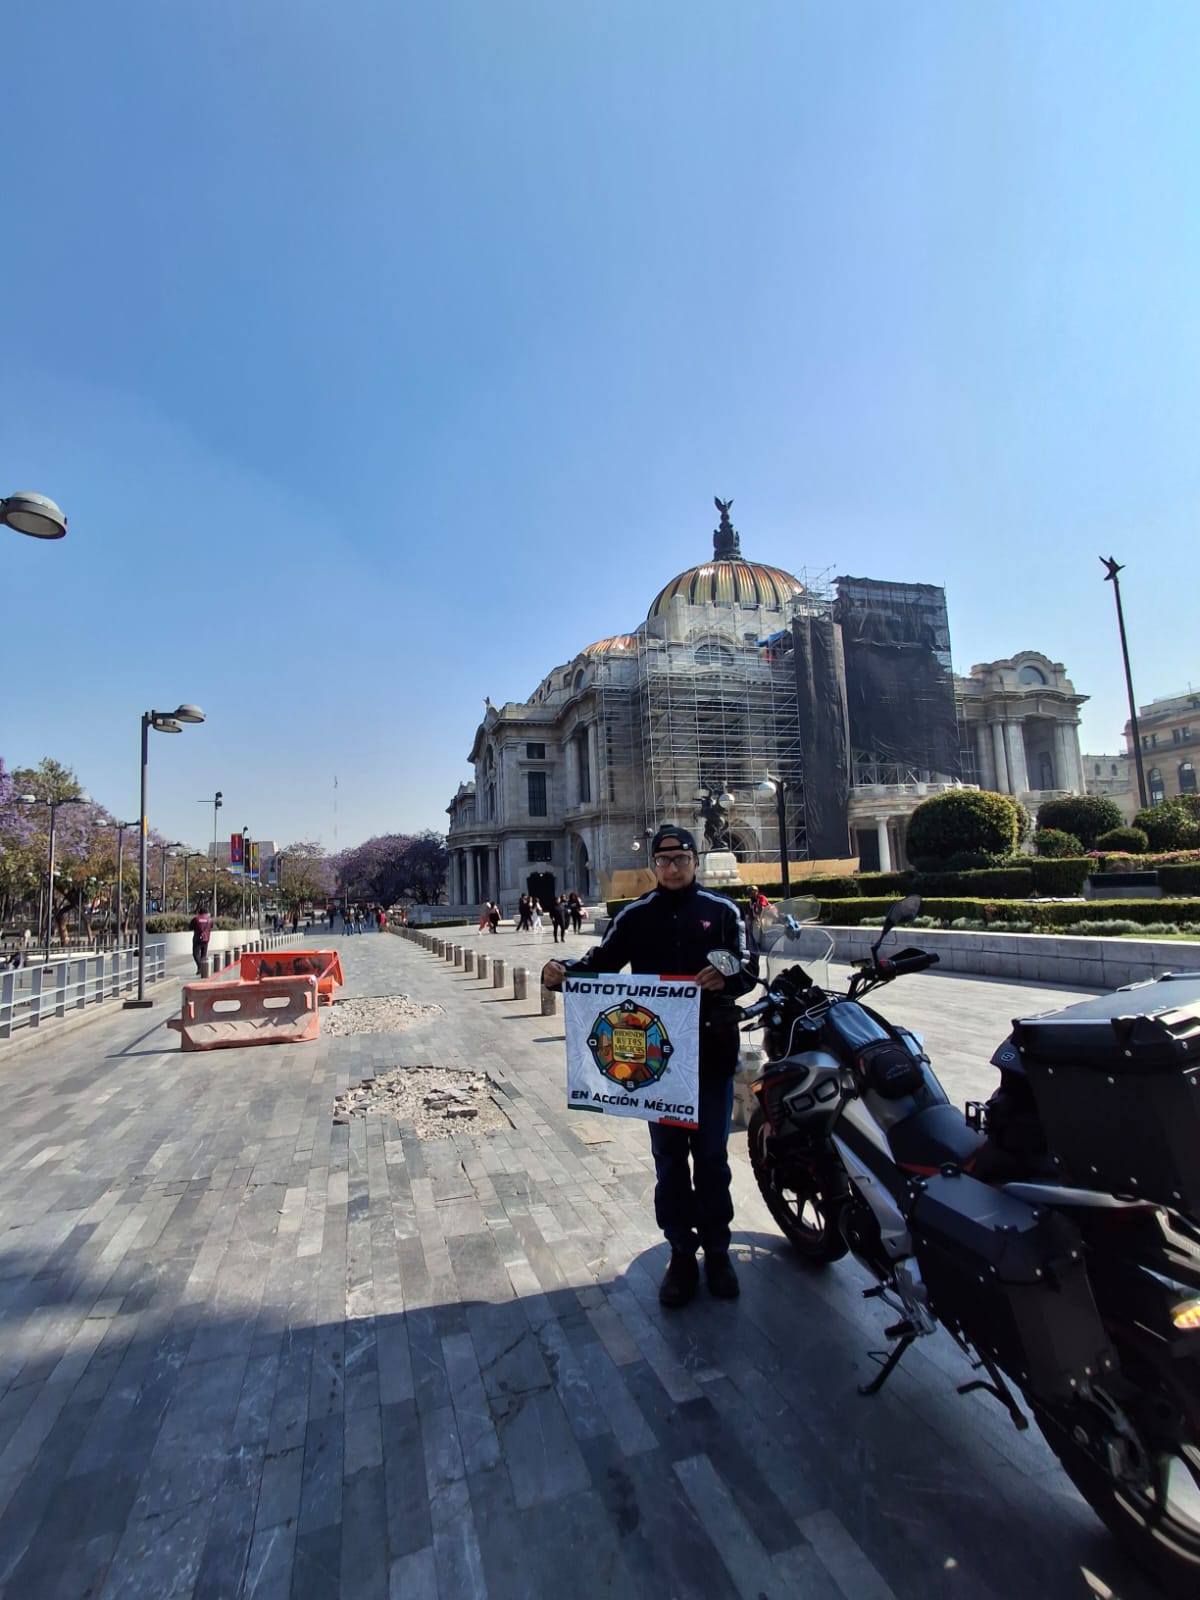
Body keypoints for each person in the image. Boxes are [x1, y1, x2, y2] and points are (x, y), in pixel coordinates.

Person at [542, 825, 757, 1308]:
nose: (673, 867)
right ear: (653, 867)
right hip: (655, 1067)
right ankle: (682, 1254)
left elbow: (748, 968)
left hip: (711, 1057)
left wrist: (727, 978)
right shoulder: (636, 917)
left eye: (681, 858)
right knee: (669, 1162)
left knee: (713, 1159)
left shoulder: (722, 913)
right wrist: (560, 972)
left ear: (696, 861)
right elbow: (601, 963)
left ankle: (718, 1251)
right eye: (664, 861)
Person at [190, 903, 214, 976]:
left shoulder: (196, 919)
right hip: (206, 939)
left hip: (197, 939)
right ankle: (201, 969)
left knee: (195, 954)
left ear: (199, 912)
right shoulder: (210, 920)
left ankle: (200, 967)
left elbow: (190, 927)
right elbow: (211, 927)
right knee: (203, 955)